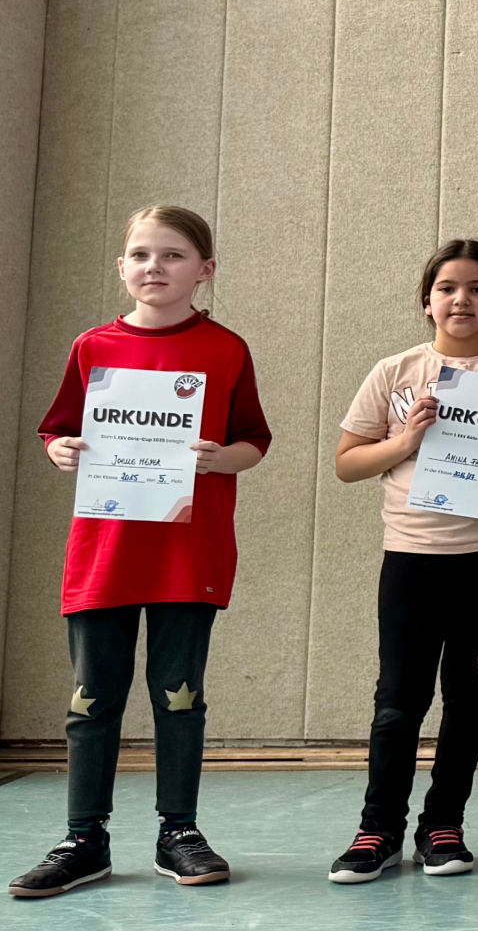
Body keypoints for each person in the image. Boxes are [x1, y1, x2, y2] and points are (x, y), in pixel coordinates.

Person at [9, 207, 271, 898]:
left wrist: (220, 458)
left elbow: (254, 440)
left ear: (204, 269)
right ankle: (83, 838)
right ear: (122, 266)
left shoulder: (225, 349)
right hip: (106, 554)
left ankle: (178, 831)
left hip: (188, 553)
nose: (155, 267)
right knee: (92, 699)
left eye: (174, 255)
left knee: (180, 697)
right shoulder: (92, 346)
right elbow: (57, 430)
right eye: (142, 254)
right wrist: (61, 450)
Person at [328, 240, 478, 884]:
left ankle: (443, 825)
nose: (463, 300)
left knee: (469, 697)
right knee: (398, 701)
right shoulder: (395, 372)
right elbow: (347, 464)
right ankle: (377, 830)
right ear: (427, 301)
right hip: (413, 560)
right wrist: (406, 439)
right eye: (448, 288)